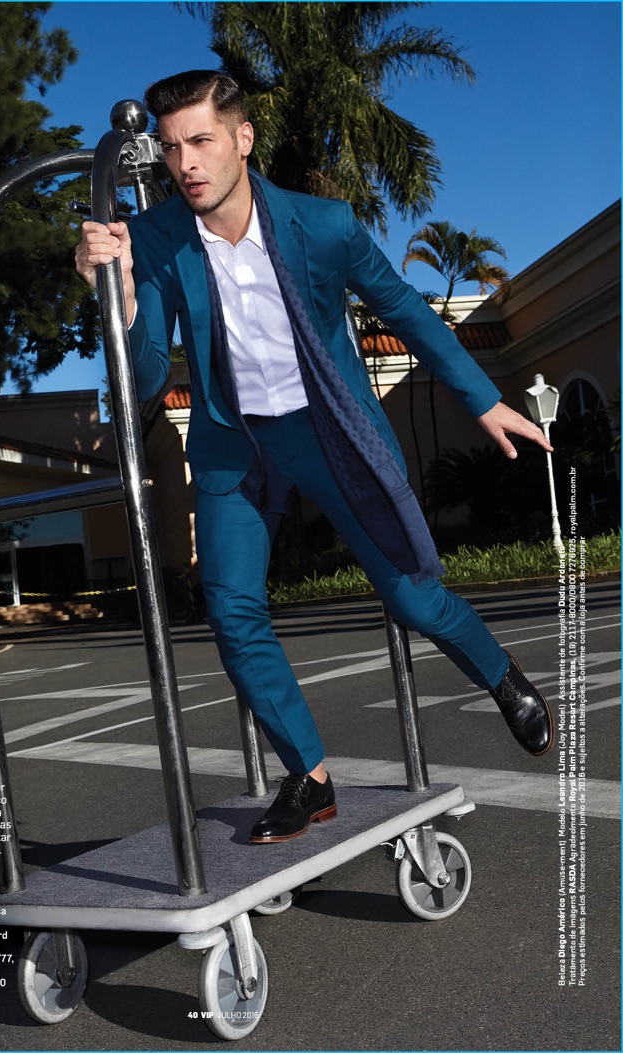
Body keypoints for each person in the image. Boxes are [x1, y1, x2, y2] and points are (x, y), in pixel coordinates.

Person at [75, 69, 554, 844]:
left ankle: (503, 675)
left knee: (412, 597)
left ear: (241, 138)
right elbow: (144, 378)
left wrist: (482, 396)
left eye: (200, 141)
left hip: (327, 429)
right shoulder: (158, 239)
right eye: (170, 148)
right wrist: (121, 292)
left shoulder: (322, 226)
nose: (185, 163)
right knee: (231, 606)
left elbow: (401, 307)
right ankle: (310, 777)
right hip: (235, 442)